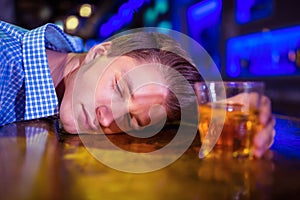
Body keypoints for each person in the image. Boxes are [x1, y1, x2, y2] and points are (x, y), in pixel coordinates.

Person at [0, 20, 275, 157]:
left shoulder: (76, 57)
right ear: (98, 53)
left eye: (132, 120)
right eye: (118, 88)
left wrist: (222, 110)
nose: (106, 117)